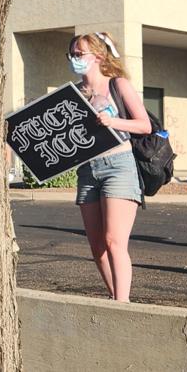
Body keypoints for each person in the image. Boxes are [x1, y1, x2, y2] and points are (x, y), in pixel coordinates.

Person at [69, 32, 150, 302]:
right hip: (88, 169)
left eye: (79, 55)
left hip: (119, 164)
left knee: (114, 241)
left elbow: (144, 125)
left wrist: (112, 122)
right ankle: (115, 298)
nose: (74, 59)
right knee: (97, 247)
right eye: (71, 55)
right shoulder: (73, 93)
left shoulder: (118, 85)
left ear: (98, 56)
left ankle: (123, 305)